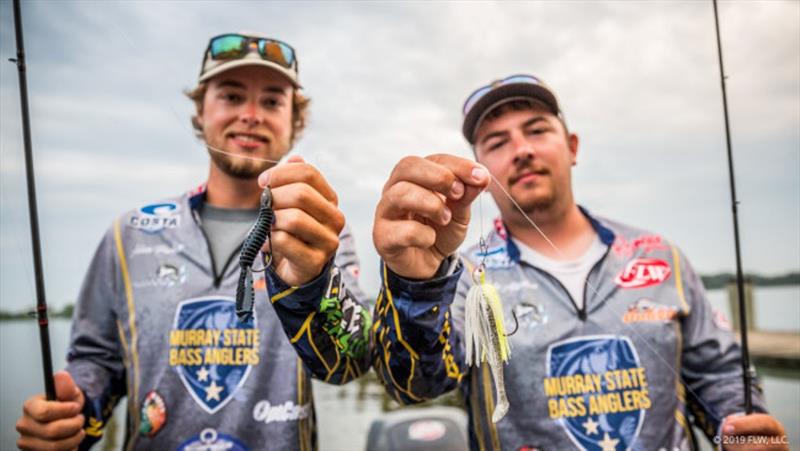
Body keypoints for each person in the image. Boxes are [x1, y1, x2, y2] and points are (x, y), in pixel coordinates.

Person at [371, 74, 787, 450]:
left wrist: (743, 432)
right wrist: (415, 285)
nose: (521, 150)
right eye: (497, 143)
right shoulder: (455, 275)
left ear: (572, 148)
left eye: (536, 130)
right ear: (479, 169)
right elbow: (414, 387)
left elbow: (720, 376)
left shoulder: (661, 256)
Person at [16, 32, 371, 451]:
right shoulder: (129, 233)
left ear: (295, 121)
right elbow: (97, 359)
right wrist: (75, 413)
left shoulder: (321, 230)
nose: (252, 115)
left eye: (273, 101)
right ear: (200, 111)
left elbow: (350, 362)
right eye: (232, 96)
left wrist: (312, 281)